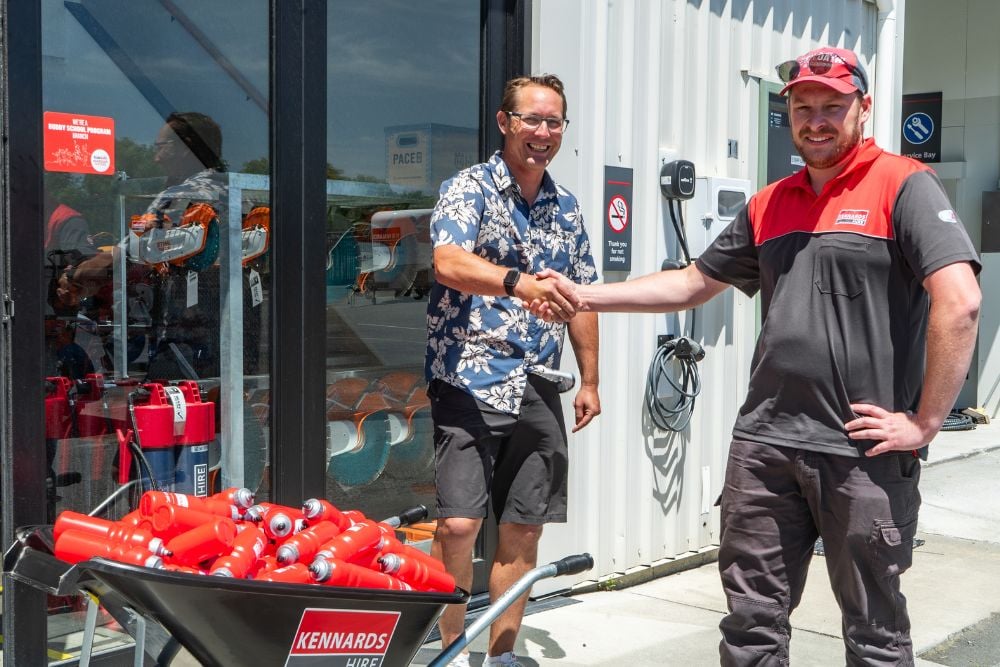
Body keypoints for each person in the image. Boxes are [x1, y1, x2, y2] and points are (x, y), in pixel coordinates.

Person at [535, 47, 981, 665]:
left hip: (861, 451)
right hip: (765, 444)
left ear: (864, 109)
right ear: (789, 113)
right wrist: (584, 294)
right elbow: (693, 282)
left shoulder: (903, 185)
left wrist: (925, 422)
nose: (816, 120)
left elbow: (959, 303)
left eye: (832, 106)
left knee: (875, 632)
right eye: (804, 107)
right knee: (751, 625)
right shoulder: (769, 202)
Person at [426, 73, 601, 667]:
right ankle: (450, 650)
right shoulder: (469, 189)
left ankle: (501, 655)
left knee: (524, 527)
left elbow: (581, 300)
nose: (543, 132)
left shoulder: (567, 208)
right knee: (457, 525)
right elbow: (447, 261)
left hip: (538, 383)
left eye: (554, 122)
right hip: (468, 378)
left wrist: (592, 380)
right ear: (505, 123)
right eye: (532, 119)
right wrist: (515, 282)